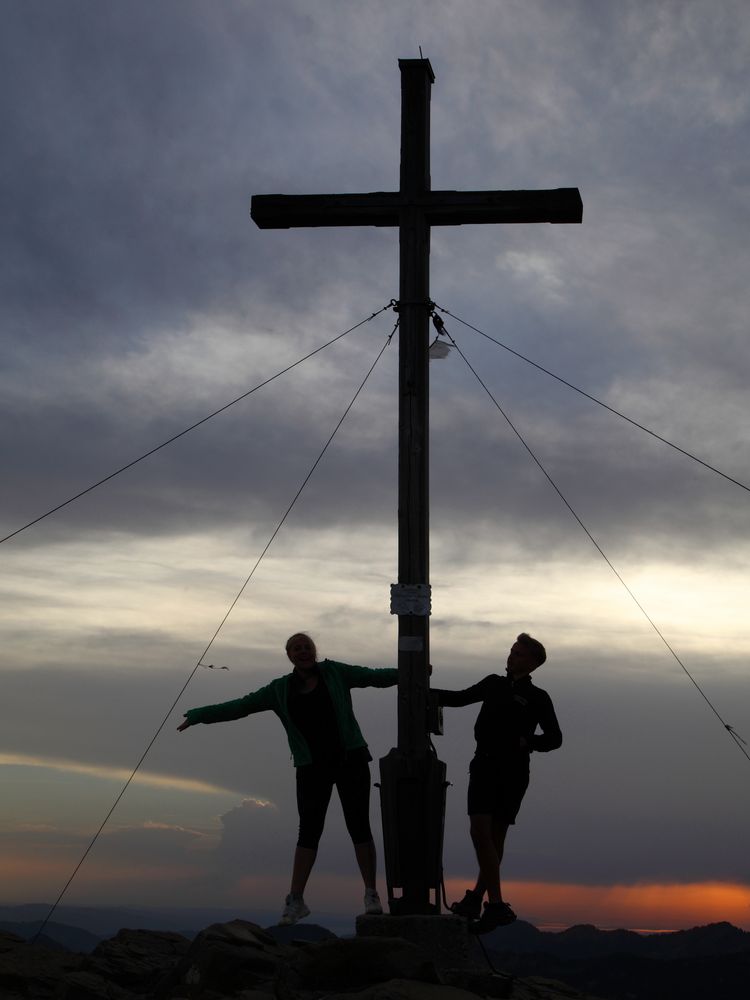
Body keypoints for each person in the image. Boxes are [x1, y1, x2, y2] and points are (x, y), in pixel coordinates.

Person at [178, 632, 397, 925]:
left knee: (358, 825)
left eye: (307, 647)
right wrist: (200, 714)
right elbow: (241, 706)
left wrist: (411, 670)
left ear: (314, 651)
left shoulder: (335, 672)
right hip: (311, 767)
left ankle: (371, 893)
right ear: (289, 656)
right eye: (297, 648)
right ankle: (296, 900)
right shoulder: (279, 689)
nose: (303, 651)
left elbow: (373, 677)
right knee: (308, 831)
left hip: (350, 760)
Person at [433, 632, 562, 935]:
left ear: (532, 662)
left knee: (494, 836)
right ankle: (489, 902)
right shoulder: (493, 683)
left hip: (514, 771)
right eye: (511, 651)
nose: (511, 656)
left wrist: (527, 741)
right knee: (480, 832)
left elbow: (555, 738)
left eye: (518, 653)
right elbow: (459, 698)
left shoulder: (538, 697)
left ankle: (488, 902)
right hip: (484, 764)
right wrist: (421, 688)